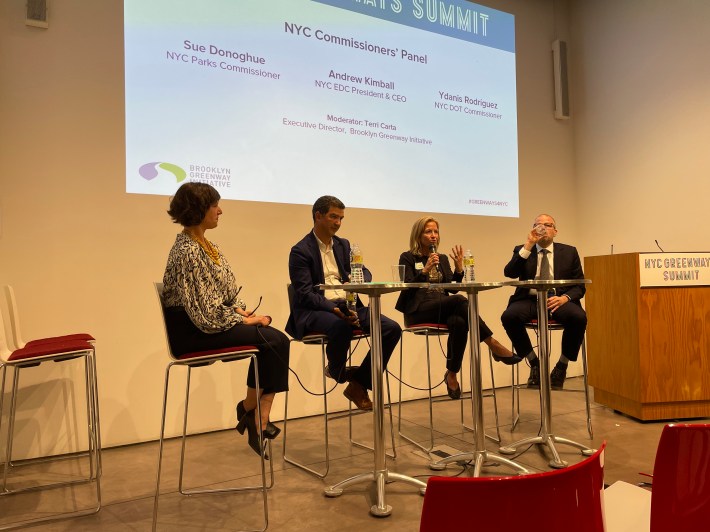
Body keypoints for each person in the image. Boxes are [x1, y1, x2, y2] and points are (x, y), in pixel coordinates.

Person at [161, 182, 290, 457]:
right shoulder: (188, 252)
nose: (220, 211)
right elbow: (203, 313)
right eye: (215, 205)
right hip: (194, 332)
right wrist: (243, 321)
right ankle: (254, 415)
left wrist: (243, 311)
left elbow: (226, 294)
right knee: (274, 339)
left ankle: (253, 413)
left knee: (277, 339)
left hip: (210, 322)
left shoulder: (207, 246)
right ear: (198, 210)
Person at [286, 195, 402, 411]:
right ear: (318, 216)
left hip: (349, 305)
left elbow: (364, 271)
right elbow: (304, 294)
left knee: (391, 328)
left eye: (341, 218)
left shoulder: (344, 245)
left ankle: (359, 384)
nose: (338, 223)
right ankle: (337, 371)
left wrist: (359, 281)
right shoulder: (300, 251)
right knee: (341, 325)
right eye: (333, 217)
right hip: (317, 309)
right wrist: (334, 309)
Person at [395, 216, 520, 399]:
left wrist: (459, 269)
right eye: (428, 231)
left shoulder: (442, 258)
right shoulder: (407, 257)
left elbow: (452, 288)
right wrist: (424, 271)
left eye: (436, 231)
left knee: (459, 321)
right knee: (461, 301)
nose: (433, 236)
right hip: (418, 310)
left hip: (441, 307)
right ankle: (492, 343)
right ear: (418, 234)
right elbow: (407, 286)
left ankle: (451, 374)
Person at [501, 213, 587, 390]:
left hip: (557, 299)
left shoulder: (569, 251)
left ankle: (561, 366)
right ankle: (534, 363)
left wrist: (565, 298)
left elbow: (579, 286)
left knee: (579, 317)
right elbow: (509, 273)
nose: (543, 228)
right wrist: (528, 245)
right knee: (509, 317)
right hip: (529, 299)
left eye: (547, 225)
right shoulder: (523, 249)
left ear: (555, 231)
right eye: (538, 225)